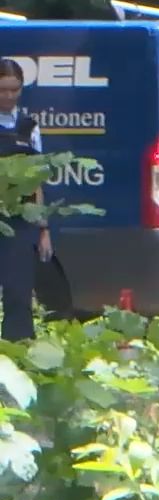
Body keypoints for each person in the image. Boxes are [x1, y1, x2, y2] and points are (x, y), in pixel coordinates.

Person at [0, 59, 52, 340]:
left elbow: (37, 181)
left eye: (15, 89)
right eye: (2, 90)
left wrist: (43, 229)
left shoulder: (29, 127)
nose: (9, 96)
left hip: (21, 220)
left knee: (19, 293)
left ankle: (17, 351)